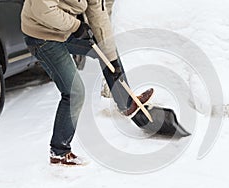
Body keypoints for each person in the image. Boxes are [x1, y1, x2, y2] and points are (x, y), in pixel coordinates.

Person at [21, 0, 153, 166]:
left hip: (62, 29)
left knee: (104, 50)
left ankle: (127, 104)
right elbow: (43, 10)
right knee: (75, 93)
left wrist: (112, 60)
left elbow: (98, 13)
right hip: (42, 36)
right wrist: (77, 26)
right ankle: (59, 152)